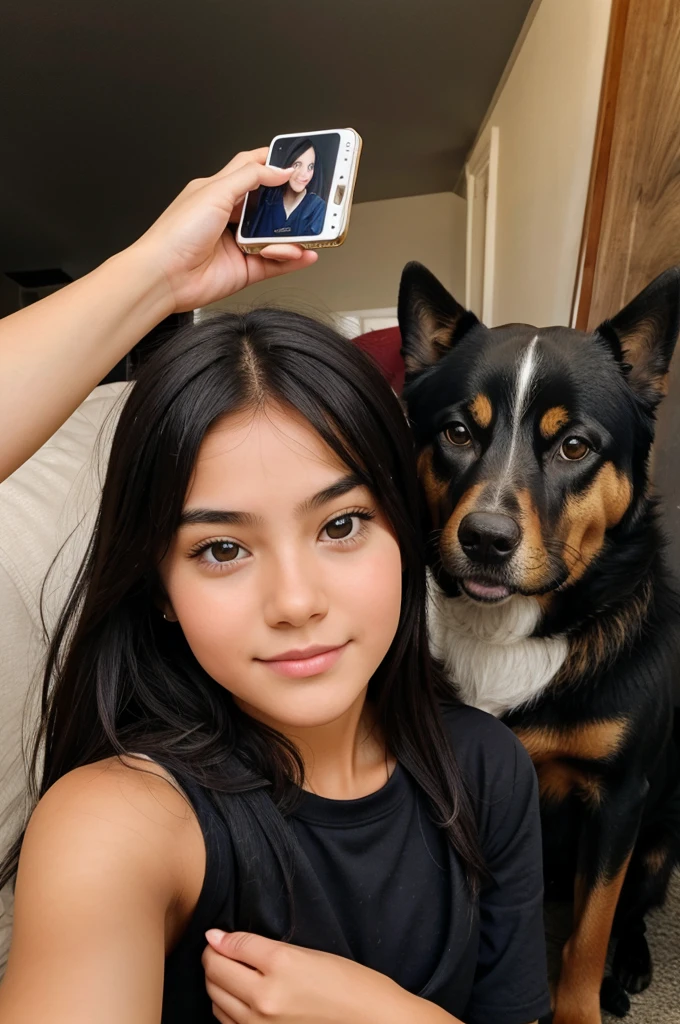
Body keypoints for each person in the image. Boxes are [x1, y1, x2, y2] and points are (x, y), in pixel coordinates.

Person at [0, 152, 550, 1024]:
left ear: (403, 533)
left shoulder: (489, 770)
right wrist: (152, 277)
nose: (295, 602)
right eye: (221, 548)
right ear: (159, 588)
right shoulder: (116, 825)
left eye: (340, 526)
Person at [245, 137, 327, 238]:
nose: (304, 174)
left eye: (310, 167)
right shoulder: (266, 201)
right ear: (287, 163)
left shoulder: (316, 206)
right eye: (297, 165)